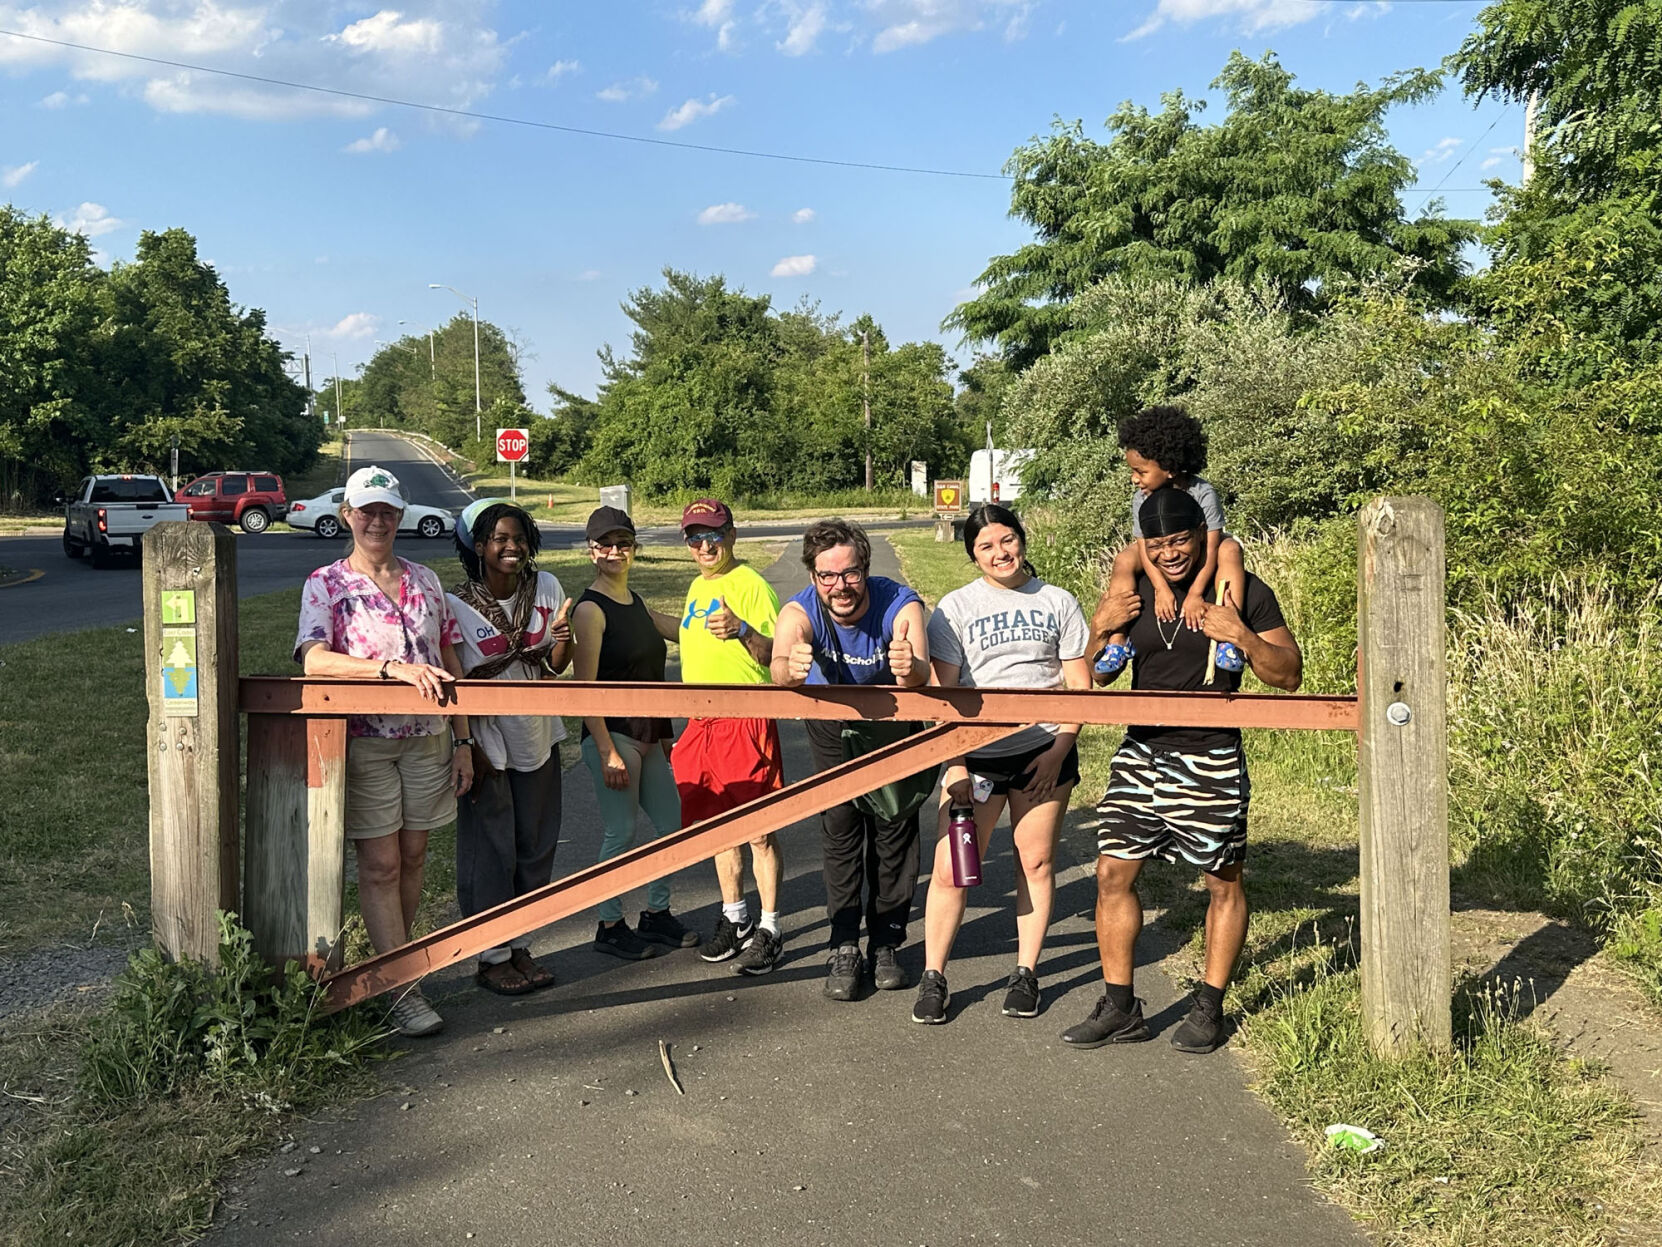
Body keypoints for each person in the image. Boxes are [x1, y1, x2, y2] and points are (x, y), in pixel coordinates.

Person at [1065, 489, 1302, 1055]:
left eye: (1178, 541)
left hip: (1211, 754)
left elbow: (1289, 674)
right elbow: (1097, 675)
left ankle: (1209, 1007)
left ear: (1201, 536)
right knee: (1111, 874)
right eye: (1157, 544)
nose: (1169, 553)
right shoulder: (1135, 590)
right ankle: (1120, 1007)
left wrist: (1241, 636)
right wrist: (1100, 625)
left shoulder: (1239, 590)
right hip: (1141, 752)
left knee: (1222, 882)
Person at [294, 465, 472, 1038]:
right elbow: (314, 658)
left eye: (387, 511)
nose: (377, 521)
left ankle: (398, 971)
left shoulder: (426, 580)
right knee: (381, 864)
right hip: (365, 741)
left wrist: (464, 740)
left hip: (428, 739)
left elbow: (449, 658)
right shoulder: (327, 582)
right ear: (347, 515)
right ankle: (402, 991)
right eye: (366, 511)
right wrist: (390, 669)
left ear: (400, 516)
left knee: (414, 857)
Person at [913, 504, 1092, 1025]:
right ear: (973, 555)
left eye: (1007, 539)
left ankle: (1025, 972)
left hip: (1044, 753)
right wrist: (954, 765)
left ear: (1022, 539)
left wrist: (1059, 750)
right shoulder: (954, 608)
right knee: (953, 869)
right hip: (976, 758)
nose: (1000, 553)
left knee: (1035, 862)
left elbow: (1079, 686)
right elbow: (944, 698)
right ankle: (934, 976)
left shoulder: (1058, 601)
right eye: (986, 546)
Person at [771, 520, 930, 1000]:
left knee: (893, 827)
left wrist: (909, 668)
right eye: (827, 576)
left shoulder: (899, 601)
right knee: (840, 827)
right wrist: (789, 670)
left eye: (850, 573)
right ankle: (843, 944)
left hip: (893, 719)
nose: (840, 586)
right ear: (813, 576)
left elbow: (920, 670)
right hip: (831, 722)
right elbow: (780, 661)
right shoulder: (800, 610)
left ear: (866, 569)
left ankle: (886, 942)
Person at [446, 499, 571, 996]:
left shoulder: (546, 588)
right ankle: (491, 954)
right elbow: (454, 676)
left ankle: (520, 943)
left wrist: (563, 638)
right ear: (479, 546)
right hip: (488, 739)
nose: (511, 547)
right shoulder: (454, 603)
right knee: (490, 849)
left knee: (535, 844)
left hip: (538, 733)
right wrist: (464, 742)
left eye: (519, 538)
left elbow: (556, 665)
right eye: (499, 539)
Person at [572, 505, 700, 960]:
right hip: (615, 737)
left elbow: (685, 632)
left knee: (671, 825)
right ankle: (609, 925)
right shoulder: (590, 611)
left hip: (649, 735)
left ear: (634, 548)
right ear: (591, 551)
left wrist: (734, 624)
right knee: (621, 832)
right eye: (605, 544)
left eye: (623, 543)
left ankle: (656, 913)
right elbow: (583, 690)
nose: (615, 551)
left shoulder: (636, 602)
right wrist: (606, 750)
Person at [671, 498, 787, 975]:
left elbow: (777, 657)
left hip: (745, 719)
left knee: (758, 830)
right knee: (717, 827)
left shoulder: (752, 585)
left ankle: (770, 927)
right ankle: (735, 916)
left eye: (713, 535)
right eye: (694, 537)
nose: (704, 546)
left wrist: (741, 630)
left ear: (732, 536)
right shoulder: (696, 587)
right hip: (701, 722)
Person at [1097, 405, 1248, 671]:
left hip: (1202, 545)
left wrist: (1196, 594)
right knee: (1123, 559)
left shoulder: (1202, 492)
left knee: (1231, 550)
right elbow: (1143, 547)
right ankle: (1118, 641)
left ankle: (1229, 638)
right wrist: (1161, 588)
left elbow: (1211, 547)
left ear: (1168, 468)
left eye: (1141, 472)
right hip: (1156, 547)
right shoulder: (1141, 498)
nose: (1134, 479)